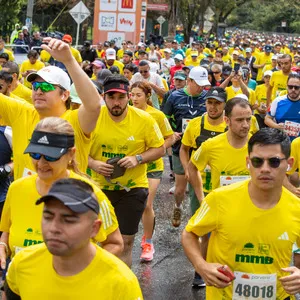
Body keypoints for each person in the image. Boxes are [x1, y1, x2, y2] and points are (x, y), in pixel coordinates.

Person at [182, 128, 300, 300]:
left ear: (289, 163)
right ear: (248, 162)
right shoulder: (219, 199)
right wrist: (202, 266)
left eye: (274, 162)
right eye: (257, 161)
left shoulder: (296, 208)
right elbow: (189, 233)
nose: (265, 169)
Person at [0, 117, 123, 272]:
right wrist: (3, 245)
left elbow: (115, 243)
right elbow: (7, 230)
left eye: (51, 156)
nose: (42, 163)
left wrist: (81, 271)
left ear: (71, 154)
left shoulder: (90, 194)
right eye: (35, 155)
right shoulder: (16, 189)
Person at [4, 178, 143, 300]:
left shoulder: (121, 282)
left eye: (68, 220)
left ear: (94, 228)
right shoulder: (22, 263)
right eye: (48, 217)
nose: (54, 228)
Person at [88, 75, 165, 267]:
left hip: (132, 189)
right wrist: (93, 164)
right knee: (97, 240)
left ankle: (121, 287)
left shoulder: (144, 119)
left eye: (121, 97)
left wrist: (137, 159)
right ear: (104, 97)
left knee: (125, 242)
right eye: (111, 97)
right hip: (98, 188)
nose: (116, 102)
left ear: (129, 97)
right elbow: (77, 150)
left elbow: (160, 148)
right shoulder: (92, 118)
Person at [0, 37, 101, 180]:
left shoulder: (75, 120)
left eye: (47, 86)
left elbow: (94, 105)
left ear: (65, 95)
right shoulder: (21, 112)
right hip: (25, 198)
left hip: (66, 200)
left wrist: (69, 61)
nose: (39, 91)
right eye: (35, 86)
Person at [180, 87, 227, 287]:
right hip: (200, 186)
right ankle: (201, 271)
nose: (213, 107)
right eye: (210, 102)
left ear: (225, 105)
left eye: (217, 103)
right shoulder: (196, 124)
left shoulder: (231, 125)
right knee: (201, 230)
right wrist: (188, 170)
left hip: (224, 186)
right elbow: (184, 149)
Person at [130, 81, 174, 262]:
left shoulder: (157, 115)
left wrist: (156, 149)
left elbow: (170, 138)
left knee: (146, 204)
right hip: (132, 167)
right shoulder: (127, 114)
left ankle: (148, 242)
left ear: (148, 97)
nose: (134, 99)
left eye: (138, 95)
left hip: (153, 166)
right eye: (131, 95)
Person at [162, 66, 210, 227]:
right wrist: (171, 135)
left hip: (200, 148)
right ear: (189, 81)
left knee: (198, 187)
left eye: (204, 84)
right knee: (180, 189)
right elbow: (165, 119)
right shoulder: (174, 97)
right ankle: (177, 206)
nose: (202, 87)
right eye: (198, 83)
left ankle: (196, 220)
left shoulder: (207, 97)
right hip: (180, 148)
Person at [265, 73, 300, 141]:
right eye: (290, 87)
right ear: (286, 86)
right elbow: (267, 119)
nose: (293, 89)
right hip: (281, 142)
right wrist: (277, 126)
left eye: (296, 87)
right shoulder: (278, 101)